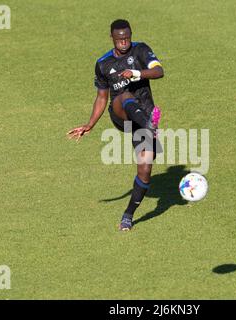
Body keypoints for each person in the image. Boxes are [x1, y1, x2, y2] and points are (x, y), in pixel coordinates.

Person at [67, 19, 164, 231]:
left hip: (143, 115)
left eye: (127, 38)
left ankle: (128, 216)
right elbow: (102, 97)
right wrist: (90, 124)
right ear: (112, 37)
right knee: (124, 95)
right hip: (120, 113)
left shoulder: (141, 50)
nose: (124, 42)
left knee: (145, 169)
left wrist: (136, 73)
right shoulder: (103, 64)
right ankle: (149, 124)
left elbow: (158, 71)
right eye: (120, 39)